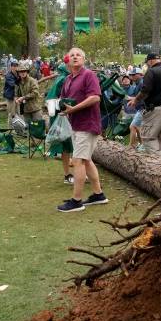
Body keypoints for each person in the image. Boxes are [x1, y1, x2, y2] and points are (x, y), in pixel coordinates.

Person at [56, 48, 108, 212]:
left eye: (78, 54)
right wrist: (58, 107)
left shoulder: (88, 75)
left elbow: (95, 97)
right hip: (75, 124)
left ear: (84, 59)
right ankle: (98, 195)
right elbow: (63, 100)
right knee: (86, 160)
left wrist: (73, 109)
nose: (75, 57)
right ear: (68, 61)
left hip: (88, 123)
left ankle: (76, 201)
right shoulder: (68, 79)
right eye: (72, 55)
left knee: (78, 160)